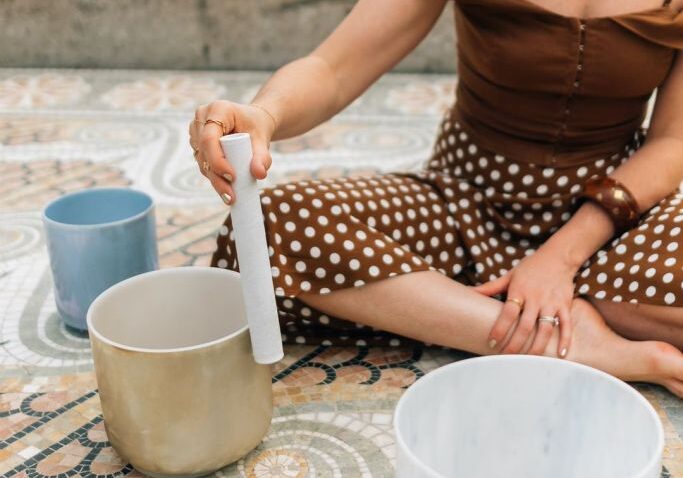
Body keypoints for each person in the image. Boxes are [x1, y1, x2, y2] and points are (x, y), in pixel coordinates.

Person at [188, 0, 683, 396]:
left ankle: (453, 308)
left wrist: (559, 259)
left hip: (615, 218)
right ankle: (571, 341)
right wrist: (264, 114)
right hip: (463, 201)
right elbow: (334, 66)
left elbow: (672, 142)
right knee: (273, 225)